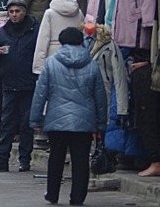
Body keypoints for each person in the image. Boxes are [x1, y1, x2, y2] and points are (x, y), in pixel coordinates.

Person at [30, 27, 107, 206]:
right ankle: (77, 198)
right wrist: (101, 122)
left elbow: (40, 94)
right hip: (85, 121)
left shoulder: (51, 63)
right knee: (80, 160)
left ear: (62, 42)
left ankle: (52, 194)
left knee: (56, 157)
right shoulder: (92, 64)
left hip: (57, 119)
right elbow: (100, 97)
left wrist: (35, 120)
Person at [0, 0, 39, 173]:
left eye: (18, 11)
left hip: (29, 84)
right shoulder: (3, 32)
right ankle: (1, 160)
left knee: (26, 124)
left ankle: (24, 160)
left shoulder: (34, 30)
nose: (14, 15)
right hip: (8, 83)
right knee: (6, 123)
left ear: (25, 12)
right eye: (11, 11)